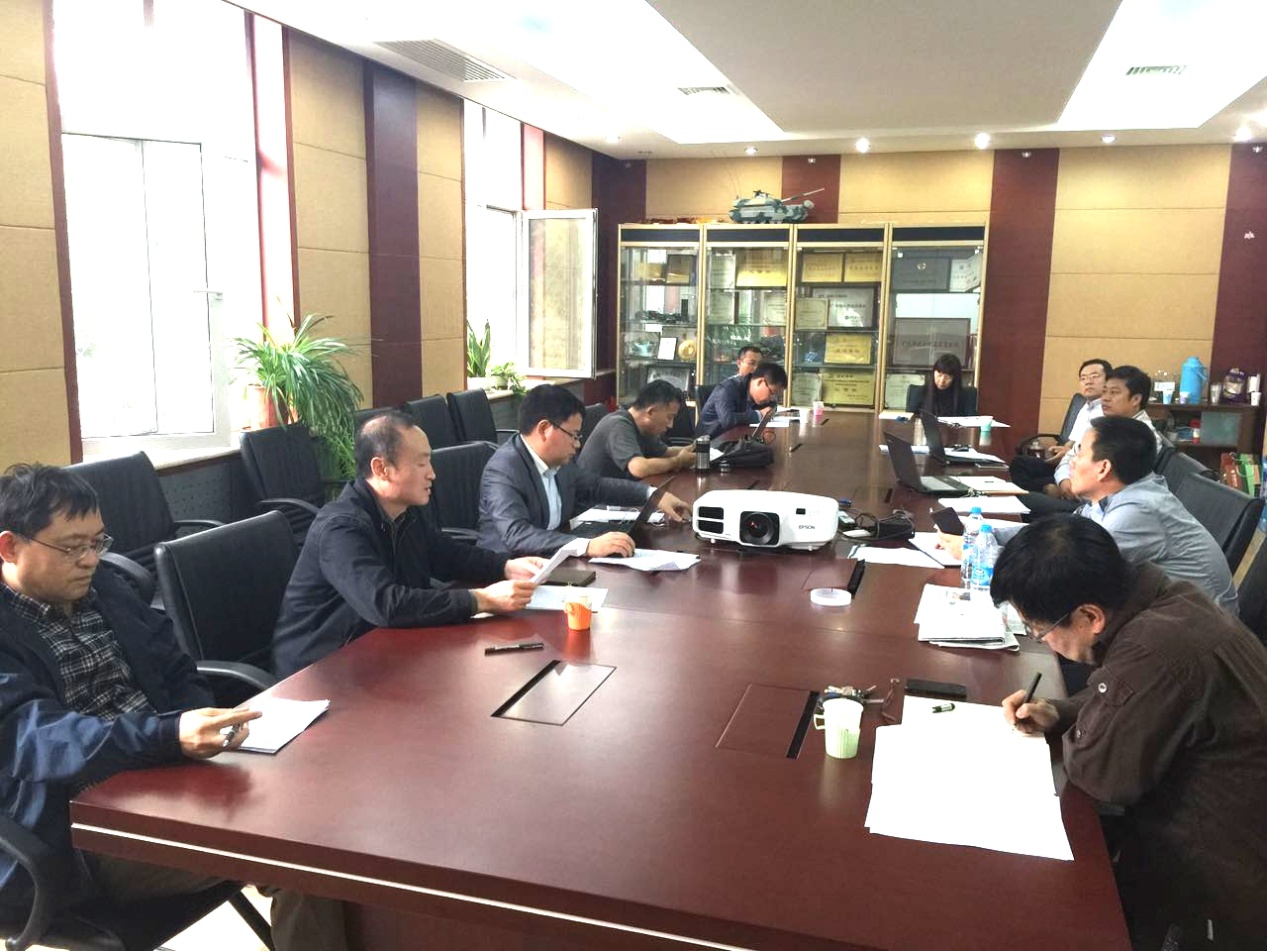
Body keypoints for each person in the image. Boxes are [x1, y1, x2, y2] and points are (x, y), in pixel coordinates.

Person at [0, 465, 342, 950]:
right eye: (72, 547)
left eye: (97, 542)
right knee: (305, 853)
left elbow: (177, 668)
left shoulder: (105, 589)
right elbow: (39, 739)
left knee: (328, 809)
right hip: (76, 828)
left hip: (165, 774)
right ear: (9, 547)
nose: (90, 560)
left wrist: (195, 730)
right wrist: (168, 735)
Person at [991, 516, 1267, 949]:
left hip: (1218, 885)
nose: (1040, 640)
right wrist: (1059, 712)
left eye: (1039, 631)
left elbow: (1101, 774)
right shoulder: (1170, 600)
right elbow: (1124, 694)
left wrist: (1084, 731)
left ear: (1089, 616)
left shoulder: (1154, 649)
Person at [272, 411, 542, 679]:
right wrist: (481, 600)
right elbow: (385, 604)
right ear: (381, 468)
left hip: (382, 650)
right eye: (421, 463)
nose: (432, 474)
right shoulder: (341, 528)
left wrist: (505, 566)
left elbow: (446, 554)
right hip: (319, 672)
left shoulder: (405, 511)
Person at [943, 416, 1237, 613]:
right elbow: (1060, 532)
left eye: (1080, 453)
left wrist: (979, 555)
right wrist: (986, 535)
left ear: (1104, 467)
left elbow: (1067, 574)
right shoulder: (1113, 496)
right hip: (1152, 617)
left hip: (1189, 641)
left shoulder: (1137, 513)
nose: (1071, 462)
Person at [478, 384, 691, 558]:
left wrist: (653, 495)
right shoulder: (505, 468)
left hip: (554, 559)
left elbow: (596, 486)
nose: (577, 444)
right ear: (544, 429)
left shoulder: (559, 462)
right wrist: (586, 545)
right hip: (508, 572)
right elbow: (516, 534)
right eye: (573, 435)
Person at [1009, 358, 1111, 491]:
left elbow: (1097, 452)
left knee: (1029, 480)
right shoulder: (1085, 406)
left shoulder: (1109, 411)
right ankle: (1047, 489)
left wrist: (1069, 454)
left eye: (1094, 377)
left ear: (1109, 381)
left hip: (1081, 468)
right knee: (1019, 463)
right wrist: (1063, 450)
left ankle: (1048, 490)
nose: (1088, 381)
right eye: (1083, 378)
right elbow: (1072, 440)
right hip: (1067, 461)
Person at [576, 379, 694, 480]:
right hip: (595, 498)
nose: (670, 425)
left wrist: (695, 447)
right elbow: (638, 468)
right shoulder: (619, 425)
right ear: (651, 412)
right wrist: (678, 462)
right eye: (669, 417)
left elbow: (665, 452)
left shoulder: (643, 427)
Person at [696, 361, 787, 439]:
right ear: (760, 382)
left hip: (734, 440)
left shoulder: (753, 393)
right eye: (772, 392)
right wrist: (758, 415)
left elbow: (771, 406)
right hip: (709, 445)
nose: (772, 398)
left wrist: (769, 410)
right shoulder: (726, 389)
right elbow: (728, 420)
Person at [905, 353, 978, 417]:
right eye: (939, 375)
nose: (942, 381)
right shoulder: (919, 393)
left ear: (955, 378)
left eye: (947, 377)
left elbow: (971, 422)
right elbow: (910, 421)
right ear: (934, 372)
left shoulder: (966, 396)